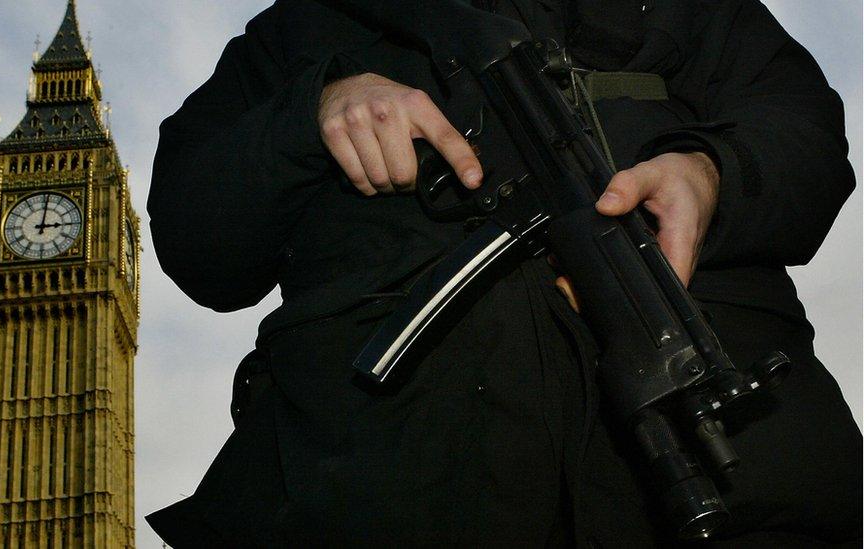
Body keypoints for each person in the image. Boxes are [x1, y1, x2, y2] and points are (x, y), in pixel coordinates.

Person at [146, 0, 862, 546]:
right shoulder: (299, 30)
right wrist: (312, 112)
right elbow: (194, 239)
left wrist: (710, 173)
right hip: (384, 493)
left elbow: (807, 132)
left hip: (735, 469)